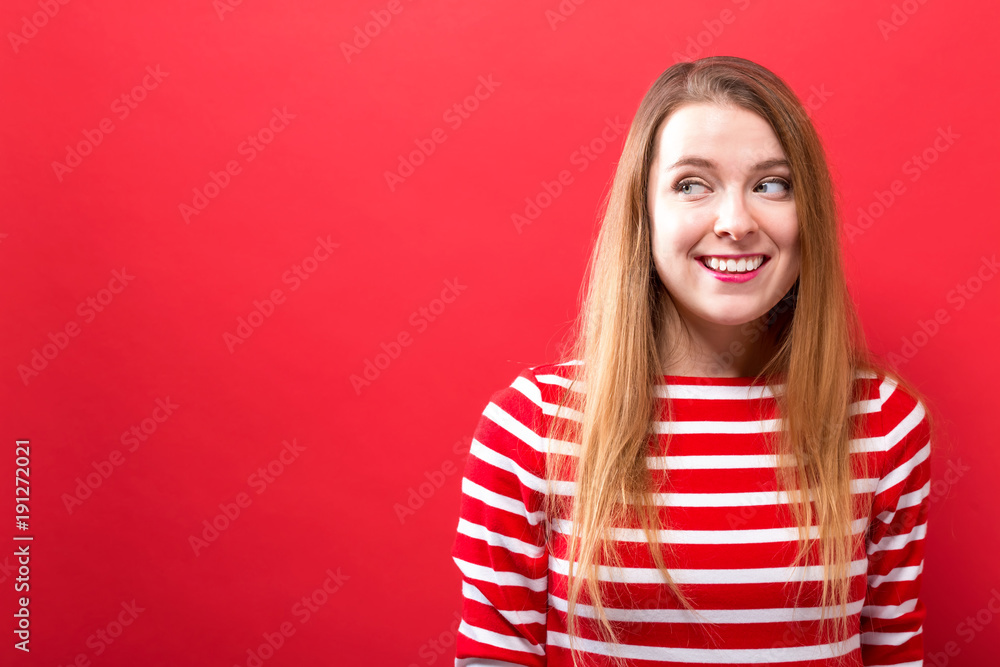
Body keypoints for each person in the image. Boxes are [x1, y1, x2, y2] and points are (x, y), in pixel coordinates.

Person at [450, 56, 935, 667]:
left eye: (772, 184)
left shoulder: (883, 423)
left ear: (806, 213)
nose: (735, 223)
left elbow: (894, 652)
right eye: (691, 184)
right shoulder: (530, 428)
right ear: (643, 214)